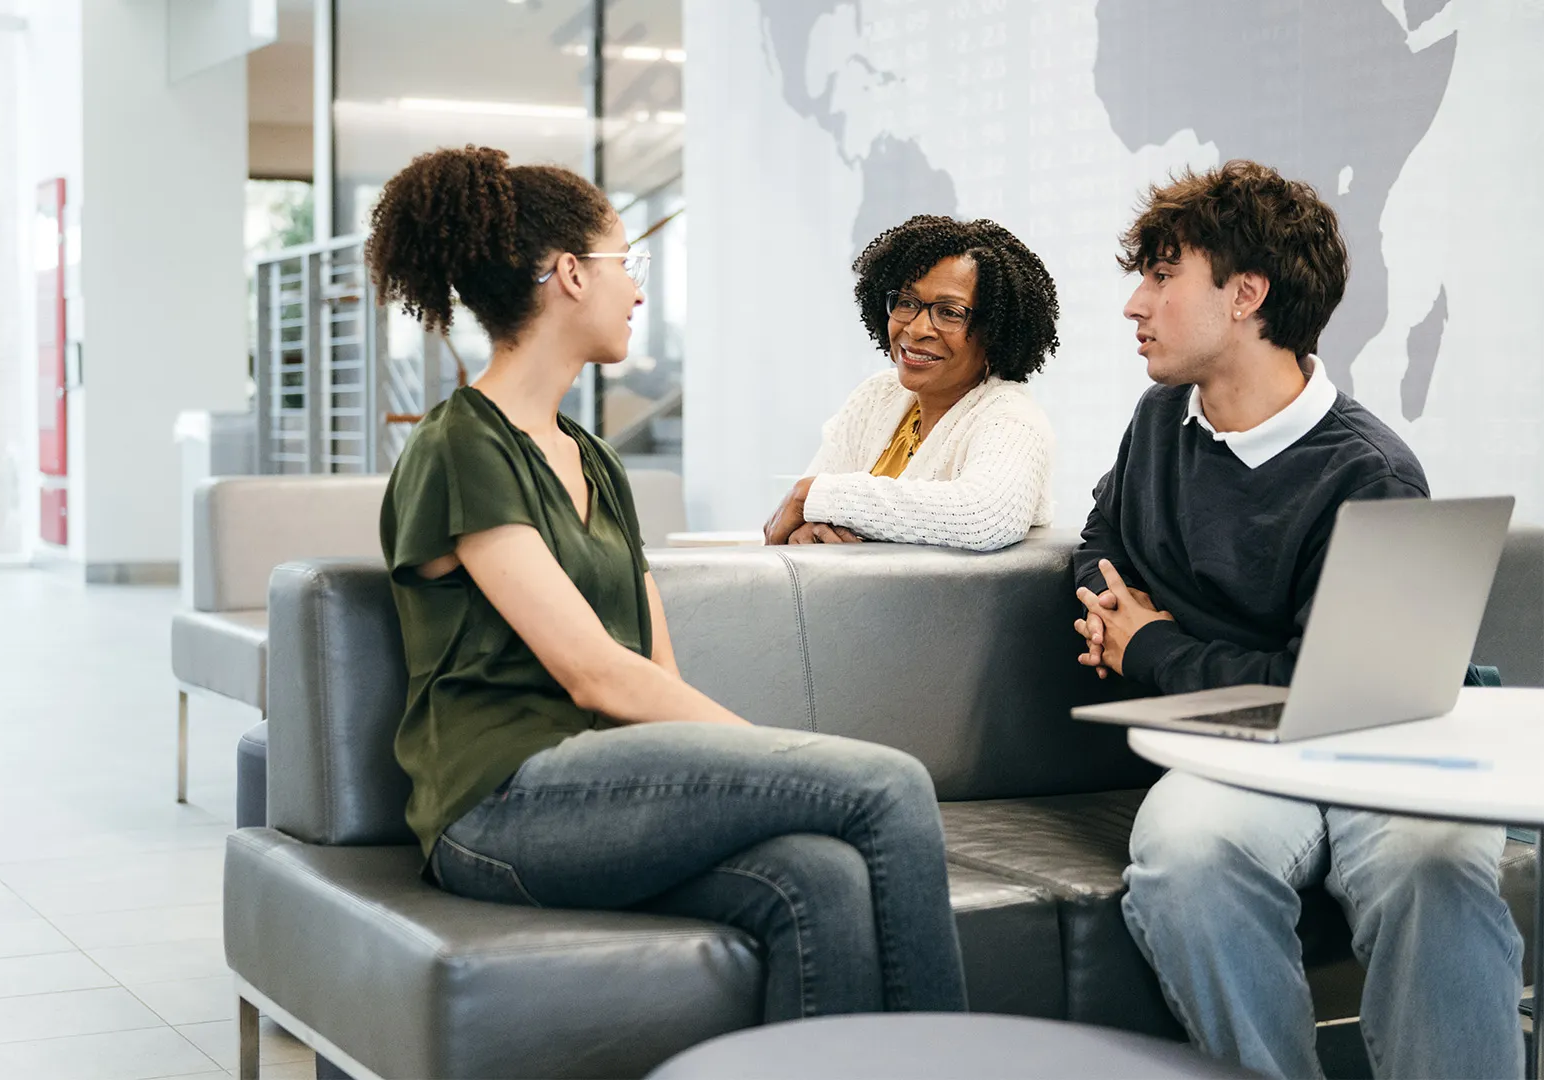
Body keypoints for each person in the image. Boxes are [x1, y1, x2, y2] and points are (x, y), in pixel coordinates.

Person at [366, 146, 966, 1022]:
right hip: (499, 804)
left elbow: (654, 668)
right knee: (889, 785)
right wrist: (773, 756)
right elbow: (596, 675)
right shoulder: (462, 445)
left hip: (604, 783)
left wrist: (739, 764)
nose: (639, 289)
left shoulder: (592, 459)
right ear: (570, 274)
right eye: (626, 264)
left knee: (823, 878)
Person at [1073, 160, 1523, 1078]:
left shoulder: (1373, 474)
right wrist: (1115, 607)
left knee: (1433, 865)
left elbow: (1322, 692)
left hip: (1376, 746)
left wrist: (1153, 645)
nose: (1135, 304)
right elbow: (1099, 540)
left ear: (1246, 294)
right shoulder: (1157, 423)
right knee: (1183, 861)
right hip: (1237, 757)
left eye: (1162, 276)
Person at [763, 215, 1058, 551]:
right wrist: (808, 522)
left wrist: (816, 497)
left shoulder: (1011, 416)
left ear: (995, 333)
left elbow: (984, 517)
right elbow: (800, 519)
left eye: (949, 312)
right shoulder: (876, 396)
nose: (917, 329)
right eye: (906, 303)